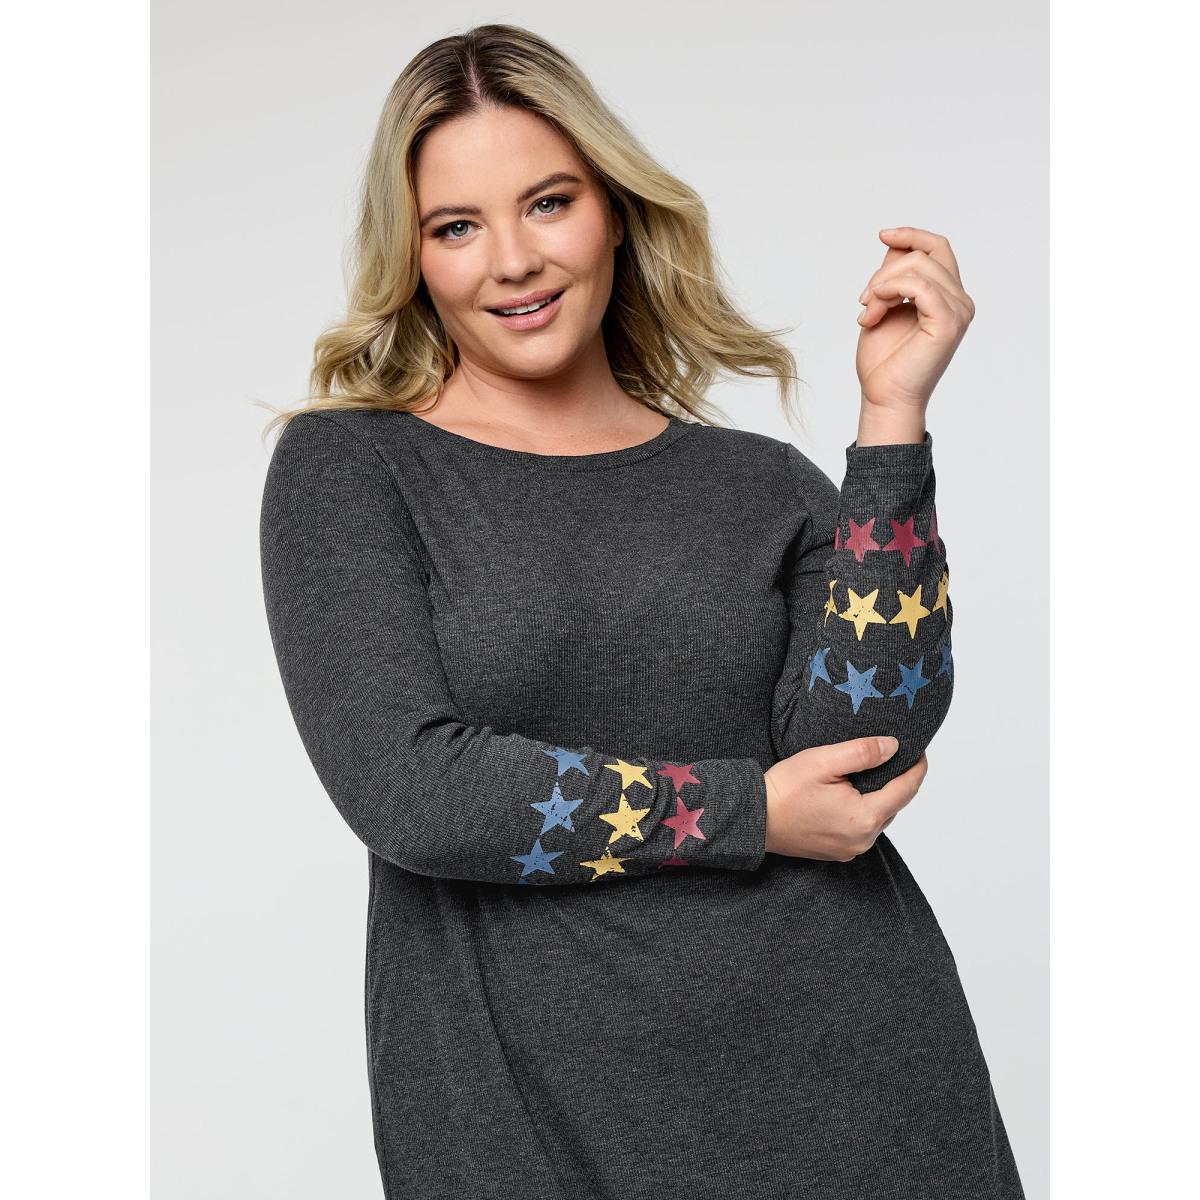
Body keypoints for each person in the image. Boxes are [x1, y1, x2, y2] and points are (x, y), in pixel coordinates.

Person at [258, 22, 1024, 1200]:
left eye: (548, 203)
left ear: (614, 209)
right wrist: (749, 812)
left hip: (855, 1082)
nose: (513, 261)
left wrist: (890, 426)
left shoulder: (762, 483)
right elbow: (412, 792)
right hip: (533, 1121)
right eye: (457, 226)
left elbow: (867, 747)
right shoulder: (353, 470)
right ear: (413, 259)